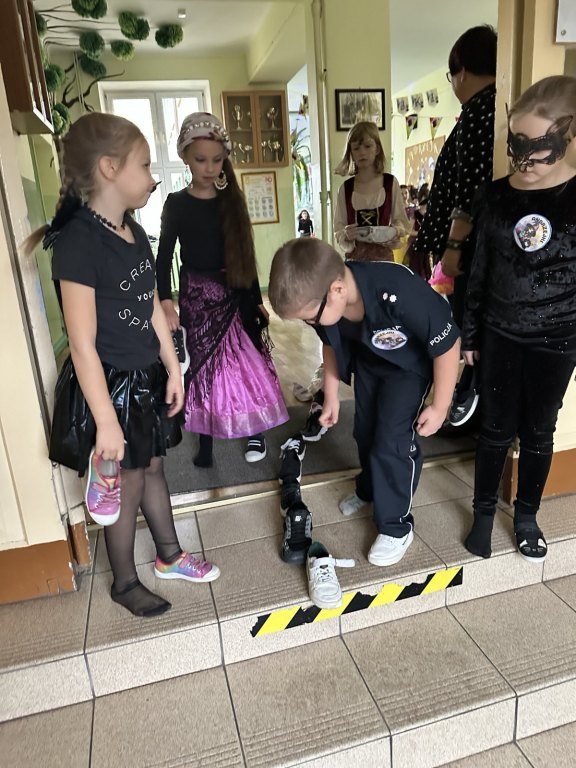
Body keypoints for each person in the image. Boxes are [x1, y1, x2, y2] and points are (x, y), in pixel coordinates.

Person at [24, 112, 220, 619]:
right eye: (145, 165)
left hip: (145, 375)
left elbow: (150, 302)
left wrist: (173, 366)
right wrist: (107, 422)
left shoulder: (132, 229)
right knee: (128, 480)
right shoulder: (78, 242)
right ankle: (124, 582)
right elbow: (82, 345)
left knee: (153, 466)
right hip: (110, 386)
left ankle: (169, 555)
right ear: (110, 168)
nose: (153, 177)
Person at [268, 238, 461, 566]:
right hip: (371, 363)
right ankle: (371, 488)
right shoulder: (329, 302)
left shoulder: (398, 291)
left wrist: (440, 405)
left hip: (408, 370)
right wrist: (330, 396)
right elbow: (331, 344)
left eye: (310, 319)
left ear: (337, 290)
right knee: (365, 431)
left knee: (391, 440)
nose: (311, 325)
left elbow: (447, 344)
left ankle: (396, 526)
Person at [461, 75, 576, 562]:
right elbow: (478, 270)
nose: (523, 160)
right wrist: (469, 334)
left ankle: (526, 515)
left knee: (539, 431)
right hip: (499, 333)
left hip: (558, 338)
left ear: (568, 135)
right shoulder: (494, 196)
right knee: (493, 428)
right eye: (516, 144)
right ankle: (484, 513)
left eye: (538, 147)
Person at [157, 113, 288, 468]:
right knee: (202, 367)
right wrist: (165, 302)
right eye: (201, 159)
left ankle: (256, 428)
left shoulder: (231, 200)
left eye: (217, 160)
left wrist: (255, 301)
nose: (210, 167)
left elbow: (244, 253)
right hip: (196, 298)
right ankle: (206, 436)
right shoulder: (176, 204)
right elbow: (163, 257)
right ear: (185, 157)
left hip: (235, 294)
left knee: (246, 361)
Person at [414, 24, 497, 427]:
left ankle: (469, 390)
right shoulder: (488, 108)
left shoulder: (481, 112)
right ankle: (465, 391)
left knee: (467, 321)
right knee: (465, 319)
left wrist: (452, 250)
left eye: (451, 76)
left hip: (470, 248)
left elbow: (470, 193)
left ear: (461, 71)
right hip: (475, 246)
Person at [334, 121, 410, 262]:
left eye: (368, 146)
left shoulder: (390, 183)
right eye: (356, 148)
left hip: (384, 264)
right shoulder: (345, 189)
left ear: (377, 149)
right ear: (351, 153)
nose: (362, 152)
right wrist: (346, 234)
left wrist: (394, 231)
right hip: (355, 265)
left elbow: (401, 221)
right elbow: (339, 228)